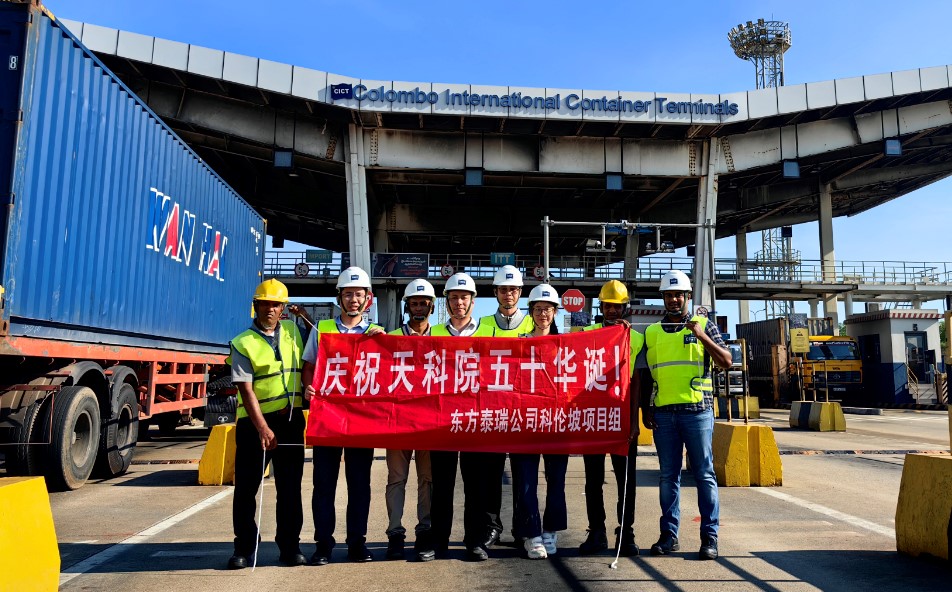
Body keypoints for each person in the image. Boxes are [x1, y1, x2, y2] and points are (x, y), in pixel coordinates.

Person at [642, 270, 732, 561]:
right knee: (668, 477)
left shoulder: (704, 325)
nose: (673, 300)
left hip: (697, 413)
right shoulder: (652, 332)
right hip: (664, 415)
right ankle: (669, 536)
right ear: (663, 298)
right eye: (668, 295)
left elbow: (727, 360)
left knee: (704, 475)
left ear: (688, 297)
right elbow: (647, 375)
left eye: (678, 295)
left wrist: (701, 335)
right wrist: (647, 408)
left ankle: (710, 538)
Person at [301, 267, 385, 566]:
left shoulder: (377, 333)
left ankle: (357, 543)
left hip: (361, 421)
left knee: (359, 485)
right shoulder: (322, 329)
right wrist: (308, 387)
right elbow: (309, 366)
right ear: (339, 298)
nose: (353, 300)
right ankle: (323, 544)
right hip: (328, 418)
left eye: (358, 295)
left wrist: (384, 342)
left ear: (368, 299)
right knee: (324, 484)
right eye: (348, 294)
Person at [228, 279, 306, 569]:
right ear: (256, 306)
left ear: (283, 308)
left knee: (290, 489)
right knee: (246, 489)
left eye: (275, 304)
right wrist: (262, 427)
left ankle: (290, 547)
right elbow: (246, 390)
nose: (270, 309)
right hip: (255, 424)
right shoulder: (242, 343)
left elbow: (325, 344)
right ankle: (245, 547)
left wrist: (305, 317)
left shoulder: (294, 332)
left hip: (291, 421)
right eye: (264, 304)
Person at [428, 272, 496, 561]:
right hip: (442, 420)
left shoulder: (488, 333)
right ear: (446, 301)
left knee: (475, 485)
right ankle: (438, 541)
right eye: (454, 297)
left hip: (475, 420)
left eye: (464, 297)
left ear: (473, 301)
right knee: (442, 484)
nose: (459, 302)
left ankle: (474, 541)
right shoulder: (433, 333)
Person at [578, 280, 645, 557]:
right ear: (601, 306)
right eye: (608, 306)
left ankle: (625, 533)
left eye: (617, 306)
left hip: (623, 419)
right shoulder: (586, 334)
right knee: (593, 480)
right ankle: (597, 532)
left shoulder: (635, 338)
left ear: (625, 308)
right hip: (594, 419)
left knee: (626, 480)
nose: (613, 311)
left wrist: (634, 422)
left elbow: (638, 382)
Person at [471, 264, 530, 550]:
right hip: (491, 411)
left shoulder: (534, 324)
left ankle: (522, 528)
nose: (508, 294)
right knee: (490, 475)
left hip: (524, 412)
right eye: (504, 289)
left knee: (523, 475)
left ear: (520, 292)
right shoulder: (481, 325)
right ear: (495, 292)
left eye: (513, 290)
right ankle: (491, 528)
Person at [511, 284, 568, 560]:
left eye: (547, 309)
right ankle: (532, 534)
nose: (543, 314)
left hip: (556, 423)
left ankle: (550, 531)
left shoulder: (567, 345)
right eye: (537, 309)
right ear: (531, 312)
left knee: (556, 480)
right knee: (525, 482)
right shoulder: (520, 343)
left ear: (555, 312)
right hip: (525, 422)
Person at [384, 279, 436, 562]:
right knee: (397, 479)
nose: (418, 308)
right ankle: (395, 533)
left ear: (432, 306)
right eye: (414, 303)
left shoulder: (443, 338)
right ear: (407, 306)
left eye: (423, 303)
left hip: (430, 422)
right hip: (399, 422)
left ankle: (424, 529)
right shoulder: (389, 338)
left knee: (427, 479)